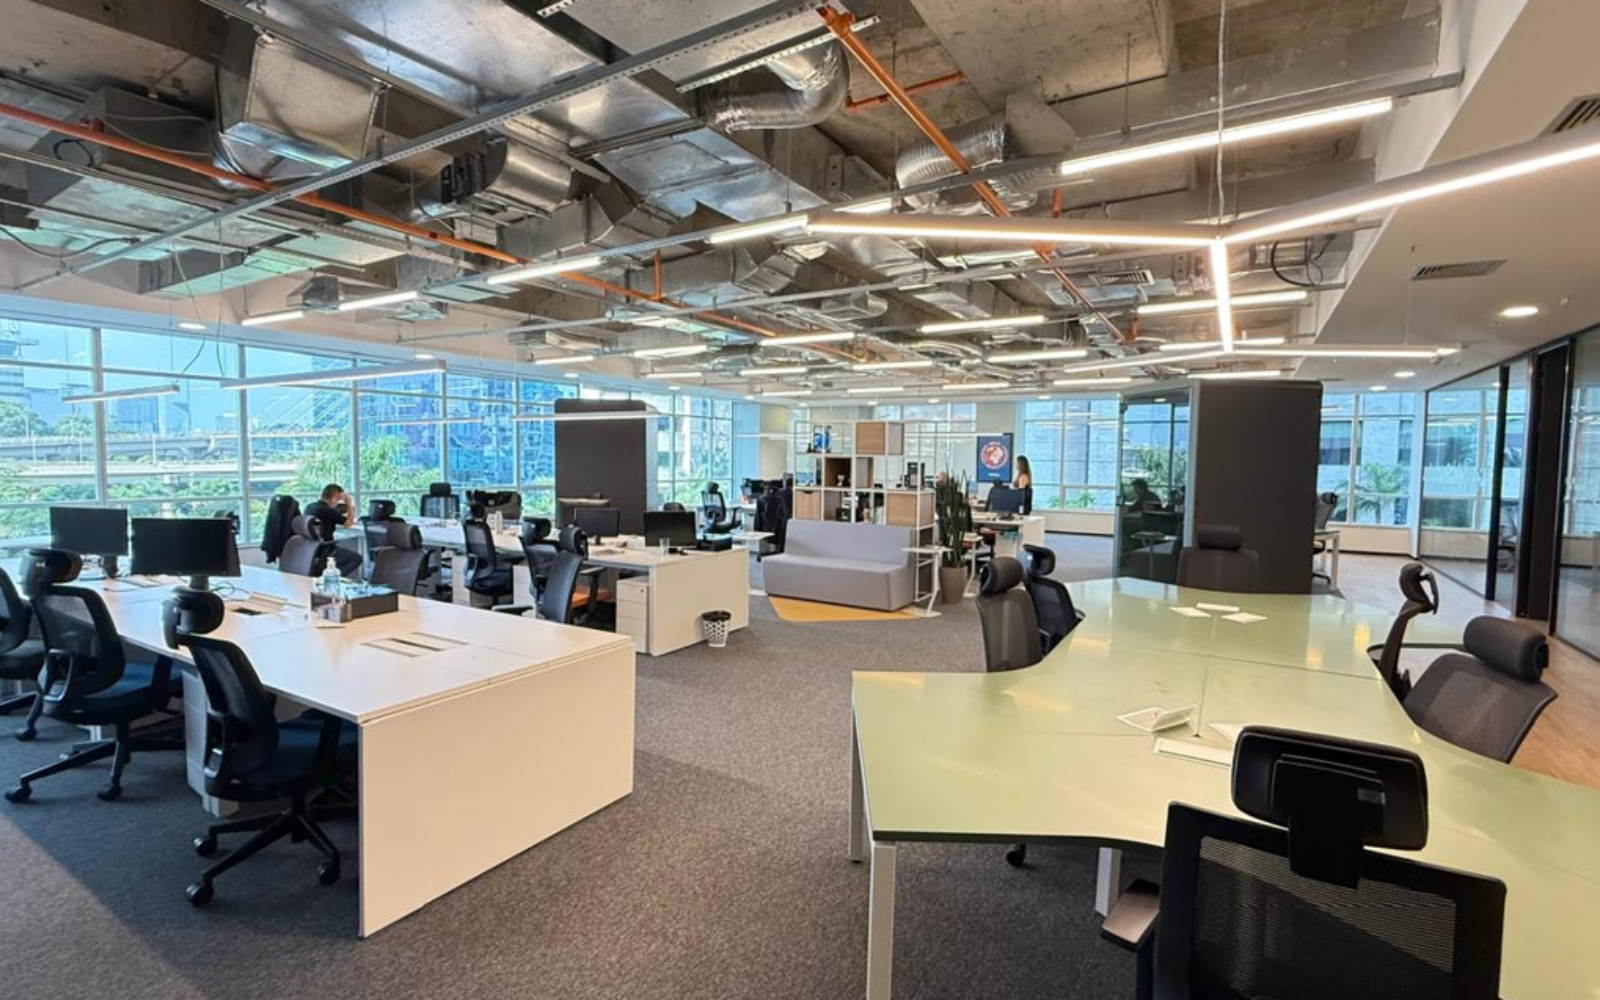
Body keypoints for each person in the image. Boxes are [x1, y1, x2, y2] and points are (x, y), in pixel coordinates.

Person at [303, 484, 363, 578]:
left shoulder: (309, 507)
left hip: (312, 549)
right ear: (333, 498)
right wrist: (349, 503)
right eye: (338, 499)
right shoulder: (328, 510)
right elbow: (349, 523)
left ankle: (327, 575)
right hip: (327, 549)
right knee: (357, 559)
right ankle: (331, 577)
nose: (338, 502)